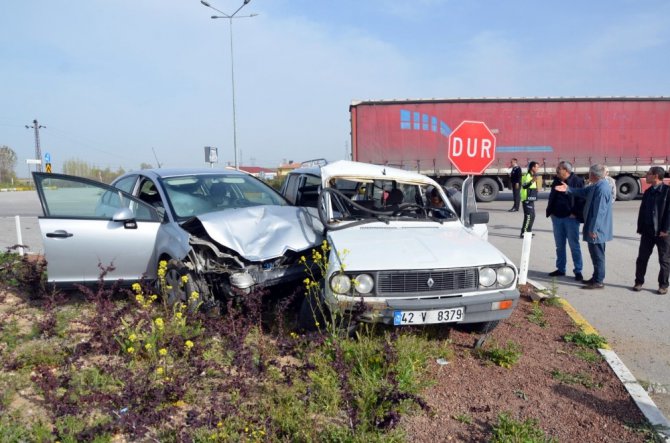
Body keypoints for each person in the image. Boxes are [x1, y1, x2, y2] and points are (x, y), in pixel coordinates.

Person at [555, 164, 613, 289]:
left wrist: (594, 229)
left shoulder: (602, 188)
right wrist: (568, 189)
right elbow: (582, 192)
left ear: (593, 175)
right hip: (594, 228)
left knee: (598, 255)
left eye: (589, 173)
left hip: (597, 229)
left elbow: (599, 212)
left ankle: (598, 281)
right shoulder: (596, 186)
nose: (588, 175)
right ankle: (595, 277)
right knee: (594, 254)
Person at [633, 166, 670, 294]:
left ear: (655, 176)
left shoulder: (667, 191)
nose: (646, 176)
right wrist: (641, 227)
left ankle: (663, 285)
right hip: (648, 231)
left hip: (663, 233)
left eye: (648, 174)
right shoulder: (648, 192)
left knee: (664, 260)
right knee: (642, 258)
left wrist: (666, 229)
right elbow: (643, 211)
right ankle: (638, 282)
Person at [546, 161, 585, 281]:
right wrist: (551, 212)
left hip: (571, 219)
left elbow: (581, 199)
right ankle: (561, 269)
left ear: (566, 170)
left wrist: (575, 213)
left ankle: (578, 271)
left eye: (559, 169)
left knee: (574, 246)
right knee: (559, 246)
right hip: (557, 218)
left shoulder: (577, 181)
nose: (557, 171)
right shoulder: (557, 180)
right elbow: (552, 196)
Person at [519, 161, 539, 238]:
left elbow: (530, 186)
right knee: (528, 216)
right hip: (526, 199)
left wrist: (536, 188)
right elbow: (524, 186)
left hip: (531, 199)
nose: (537, 168)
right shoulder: (528, 176)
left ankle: (528, 231)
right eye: (536, 167)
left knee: (532, 216)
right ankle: (524, 233)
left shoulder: (532, 176)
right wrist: (532, 181)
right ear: (532, 167)